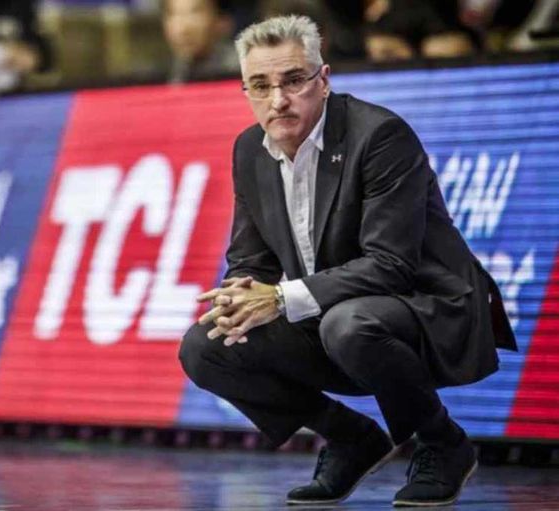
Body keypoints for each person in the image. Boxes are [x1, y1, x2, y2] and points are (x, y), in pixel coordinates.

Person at [178, 15, 516, 507]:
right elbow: (251, 259)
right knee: (205, 345)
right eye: (261, 85)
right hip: (334, 313)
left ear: (324, 79)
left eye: (294, 80)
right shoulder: (250, 148)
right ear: (246, 90)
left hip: (429, 309)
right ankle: (351, 438)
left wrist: (280, 297)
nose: (278, 99)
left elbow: (391, 265)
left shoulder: (379, 136)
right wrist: (239, 297)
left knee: (348, 324)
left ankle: (443, 444)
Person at [162, 0, 240, 83]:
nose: (183, 29)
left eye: (195, 13)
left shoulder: (240, 69)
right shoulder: (168, 75)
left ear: (220, 20)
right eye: (173, 14)